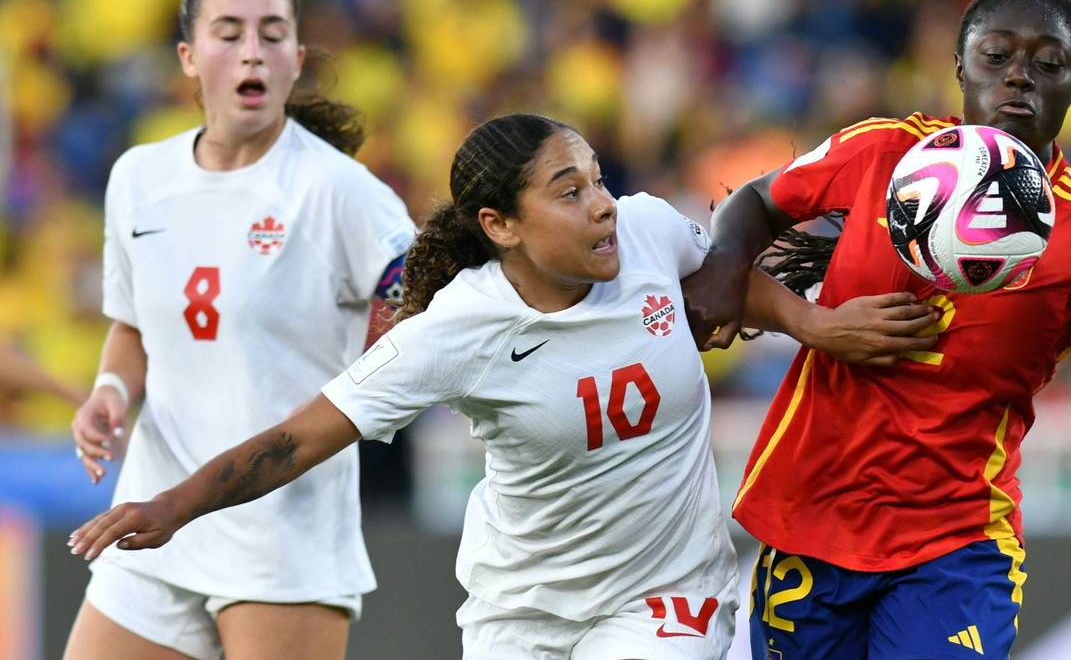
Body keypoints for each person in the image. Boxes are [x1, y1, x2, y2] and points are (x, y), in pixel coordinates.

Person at [68, 112, 939, 659]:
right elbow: (299, 437)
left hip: (666, 593)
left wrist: (813, 323)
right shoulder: (456, 331)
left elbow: (719, 282)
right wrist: (171, 506)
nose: (603, 203)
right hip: (520, 608)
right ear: (502, 226)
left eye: (598, 177)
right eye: (571, 191)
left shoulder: (643, 233)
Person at [683, 0, 1071, 658]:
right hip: (814, 515)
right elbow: (755, 201)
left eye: (1048, 63)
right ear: (959, 67)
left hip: (958, 540)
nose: (1019, 75)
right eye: (996, 55)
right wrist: (728, 262)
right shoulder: (878, 152)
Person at [64, 0, 415, 660]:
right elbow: (133, 324)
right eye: (229, 32)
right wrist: (109, 392)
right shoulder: (139, 177)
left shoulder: (341, 193)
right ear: (189, 59)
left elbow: (412, 318)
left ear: (296, 61)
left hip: (281, 536)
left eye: (273, 33)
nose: (253, 49)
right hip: (150, 521)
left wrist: (382, 361)